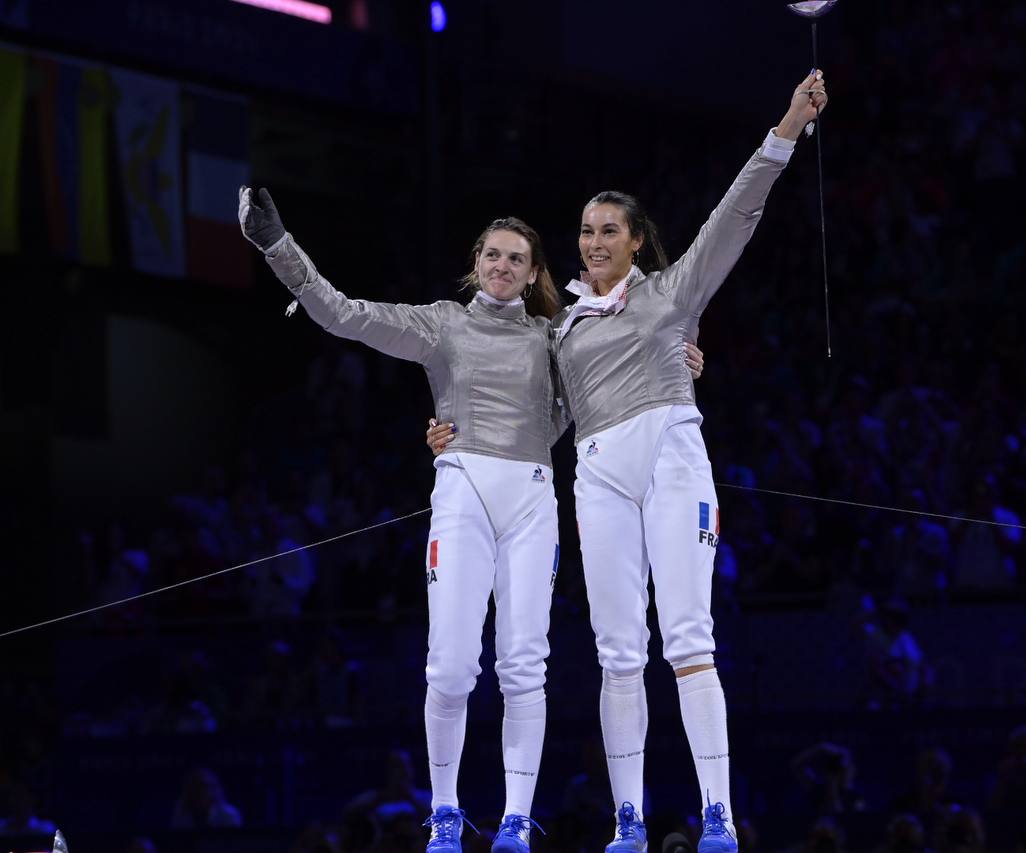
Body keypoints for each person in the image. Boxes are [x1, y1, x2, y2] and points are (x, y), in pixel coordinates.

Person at [239, 199, 568, 853]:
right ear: (476, 265)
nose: (503, 264)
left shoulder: (554, 338)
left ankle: (514, 820)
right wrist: (278, 244)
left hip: (532, 502)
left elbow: (573, 411)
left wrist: (682, 357)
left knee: (523, 665)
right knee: (449, 667)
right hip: (462, 497)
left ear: (533, 274)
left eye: (516, 257)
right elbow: (343, 313)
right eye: (492, 253)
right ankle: (445, 812)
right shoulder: (442, 326)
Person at [553, 69, 826, 852]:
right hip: (597, 477)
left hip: (672, 463)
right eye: (585, 231)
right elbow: (537, 417)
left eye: (609, 230)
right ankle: (628, 819)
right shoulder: (563, 330)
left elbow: (735, 216)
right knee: (615, 651)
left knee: (687, 639)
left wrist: (786, 125)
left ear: (636, 241)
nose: (594, 242)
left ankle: (719, 814)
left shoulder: (673, 296)